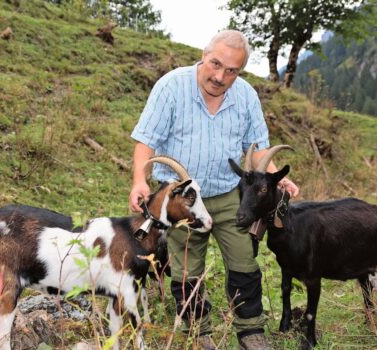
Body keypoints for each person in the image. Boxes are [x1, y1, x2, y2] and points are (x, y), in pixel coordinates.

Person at [128, 30, 299, 350]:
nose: (220, 76)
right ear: (203, 55)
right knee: (185, 267)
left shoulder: (246, 96)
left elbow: (259, 148)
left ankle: (250, 331)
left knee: (245, 262)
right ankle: (198, 332)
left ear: (240, 71)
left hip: (229, 197)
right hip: (181, 200)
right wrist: (140, 178)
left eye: (231, 71)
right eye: (215, 64)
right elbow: (145, 140)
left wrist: (277, 176)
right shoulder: (171, 87)